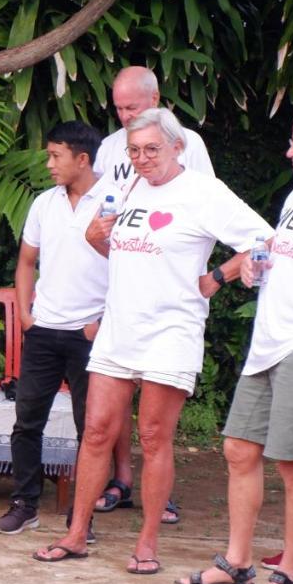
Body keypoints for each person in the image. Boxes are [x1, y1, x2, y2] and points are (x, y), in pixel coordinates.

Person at [35, 108, 272, 573]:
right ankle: (77, 533)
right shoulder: (125, 185)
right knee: (97, 431)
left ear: (176, 147)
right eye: (134, 150)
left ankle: (147, 543)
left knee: (154, 436)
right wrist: (93, 236)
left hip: (172, 329)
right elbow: (117, 248)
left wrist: (217, 278)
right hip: (120, 325)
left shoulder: (203, 192)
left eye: (151, 150)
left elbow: (262, 238)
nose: (142, 159)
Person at [173, 122, 293, 584]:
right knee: (239, 449)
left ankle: (290, 572)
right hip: (269, 341)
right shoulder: (291, 199)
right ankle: (238, 563)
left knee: (291, 463)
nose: (288, 149)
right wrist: (251, 268)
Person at [92, 66, 214, 523]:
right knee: (112, 399)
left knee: (157, 418)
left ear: (156, 99)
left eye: (133, 107)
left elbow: (202, 204)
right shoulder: (109, 148)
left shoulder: (188, 141)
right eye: (119, 108)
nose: (125, 116)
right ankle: (120, 479)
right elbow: (103, 208)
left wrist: (208, 278)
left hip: (171, 291)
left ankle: (159, 495)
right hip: (121, 283)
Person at [0, 122, 107, 535]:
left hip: (91, 333)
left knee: (91, 429)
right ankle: (24, 503)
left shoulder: (114, 201)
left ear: (82, 158)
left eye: (56, 156)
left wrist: (103, 321)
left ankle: (83, 516)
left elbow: (130, 267)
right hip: (44, 329)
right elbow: (26, 261)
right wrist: (26, 315)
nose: (49, 164)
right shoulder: (44, 203)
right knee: (27, 421)